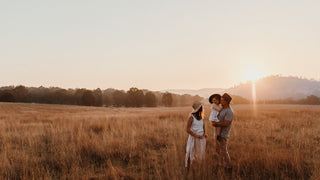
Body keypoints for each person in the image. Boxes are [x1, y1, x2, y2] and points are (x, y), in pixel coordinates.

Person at [211, 93, 233, 170]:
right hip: (217, 133)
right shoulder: (221, 109)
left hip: (223, 134)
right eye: (221, 100)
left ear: (227, 101)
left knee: (223, 151)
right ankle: (221, 165)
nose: (221, 101)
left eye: (222, 100)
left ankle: (229, 167)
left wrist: (216, 124)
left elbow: (226, 123)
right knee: (217, 150)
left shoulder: (229, 111)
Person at [185, 100, 207, 168]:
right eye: (201, 107)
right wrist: (196, 135)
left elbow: (203, 127)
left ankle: (199, 168)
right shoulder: (191, 117)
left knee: (200, 154)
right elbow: (187, 129)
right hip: (193, 138)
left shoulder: (201, 117)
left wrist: (204, 134)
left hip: (201, 139)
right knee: (190, 152)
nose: (203, 108)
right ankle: (188, 168)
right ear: (199, 108)